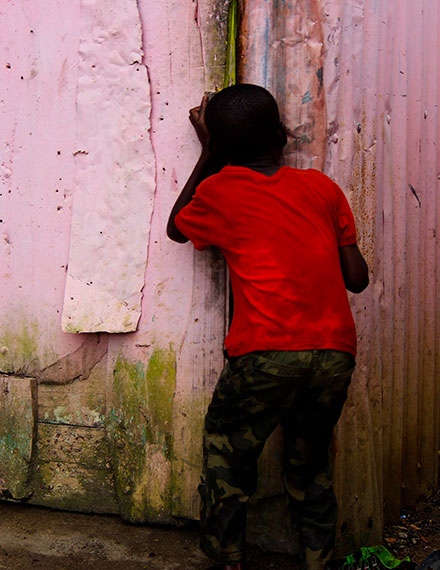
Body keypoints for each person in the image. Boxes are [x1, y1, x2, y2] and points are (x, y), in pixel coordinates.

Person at [166, 84, 369, 570]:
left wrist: (207, 153)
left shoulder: (218, 190)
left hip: (266, 352)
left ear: (220, 146)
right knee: (309, 463)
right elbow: (357, 280)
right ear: (281, 134)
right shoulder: (322, 188)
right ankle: (320, 560)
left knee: (228, 456)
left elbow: (177, 226)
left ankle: (227, 557)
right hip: (334, 352)